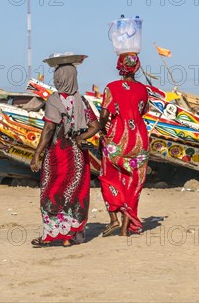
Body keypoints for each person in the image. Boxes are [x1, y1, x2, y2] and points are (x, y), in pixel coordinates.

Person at [30, 63, 101, 247]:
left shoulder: (54, 100)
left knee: (52, 192)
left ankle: (52, 234)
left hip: (57, 154)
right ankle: (69, 236)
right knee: (74, 193)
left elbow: (49, 128)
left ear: (59, 78)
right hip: (77, 156)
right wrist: (81, 138)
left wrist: (37, 153)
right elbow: (95, 126)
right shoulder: (82, 101)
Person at [98, 52, 149, 237]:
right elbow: (141, 112)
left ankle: (114, 219)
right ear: (136, 67)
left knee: (108, 176)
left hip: (118, 138)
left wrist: (102, 130)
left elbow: (104, 116)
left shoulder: (112, 87)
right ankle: (125, 230)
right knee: (133, 181)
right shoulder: (143, 89)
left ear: (120, 66)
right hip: (140, 139)